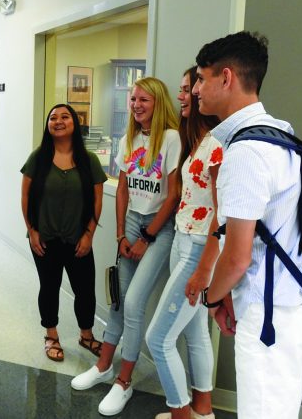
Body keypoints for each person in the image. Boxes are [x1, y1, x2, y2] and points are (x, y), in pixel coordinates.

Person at [192, 31, 302, 419]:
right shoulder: (279, 133)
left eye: (202, 78)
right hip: (289, 305)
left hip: (272, 318)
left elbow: (237, 256)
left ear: (226, 77)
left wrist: (213, 298)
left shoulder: (246, 152)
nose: (196, 89)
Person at [71, 76, 180, 416]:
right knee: (118, 300)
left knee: (133, 304)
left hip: (160, 229)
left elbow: (174, 194)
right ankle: (104, 366)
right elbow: (121, 189)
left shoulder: (172, 139)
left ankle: (124, 382)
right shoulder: (128, 137)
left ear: (158, 103)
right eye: (133, 99)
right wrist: (120, 233)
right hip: (130, 221)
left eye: (143, 100)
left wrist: (147, 237)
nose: (135, 105)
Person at [145, 67, 222, 419]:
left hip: (197, 248)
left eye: (188, 88)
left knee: (158, 339)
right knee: (196, 333)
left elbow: (223, 217)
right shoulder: (200, 140)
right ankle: (202, 410)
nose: (182, 96)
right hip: (182, 238)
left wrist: (204, 267)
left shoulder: (220, 144)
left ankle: (182, 415)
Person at [20, 104, 107, 362]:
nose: (58, 121)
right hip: (44, 238)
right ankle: (51, 335)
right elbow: (25, 196)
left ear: (75, 124)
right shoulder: (39, 157)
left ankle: (86, 335)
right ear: (48, 125)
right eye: (53, 117)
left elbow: (97, 201)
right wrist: (32, 231)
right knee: (49, 287)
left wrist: (89, 234)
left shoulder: (88, 160)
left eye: (65, 116)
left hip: (78, 238)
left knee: (85, 289)